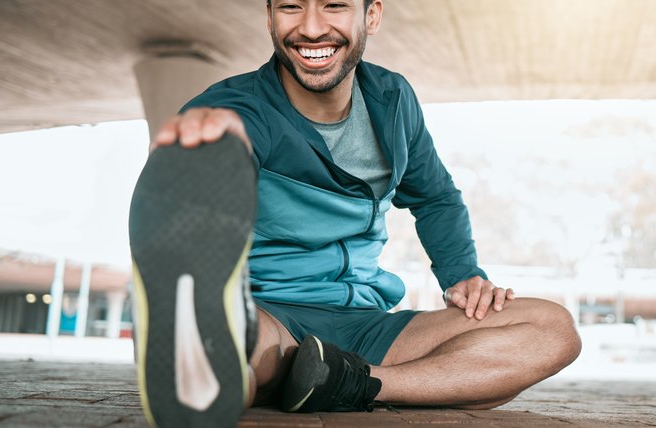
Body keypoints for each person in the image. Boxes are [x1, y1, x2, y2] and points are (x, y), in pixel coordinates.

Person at [128, 1, 582, 427]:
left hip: (368, 325)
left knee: (552, 330)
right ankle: (214, 369)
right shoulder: (236, 109)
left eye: (334, 4)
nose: (309, 27)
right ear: (269, 18)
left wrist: (462, 274)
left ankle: (350, 380)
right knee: (238, 355)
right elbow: (201, 179)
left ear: (371, 15)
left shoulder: (393, 98)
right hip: (269, 316)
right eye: (290, 6)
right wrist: (207, 161)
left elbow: (436, 197)